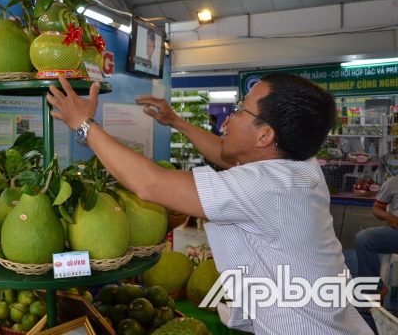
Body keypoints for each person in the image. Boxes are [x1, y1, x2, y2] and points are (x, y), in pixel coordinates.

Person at [47, 72, 373, 334]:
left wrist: (84, 125)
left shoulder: (265, 188)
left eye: (240, 109)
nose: (228, 120)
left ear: (265, 136)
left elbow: (150, 183)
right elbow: (226, 154)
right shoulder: (300, 164)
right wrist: (174, 121)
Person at [355, 176, 398, 305]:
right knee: (364, 239)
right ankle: (376, 290)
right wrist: (387, 215)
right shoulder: (392, 183)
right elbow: (377, 208)